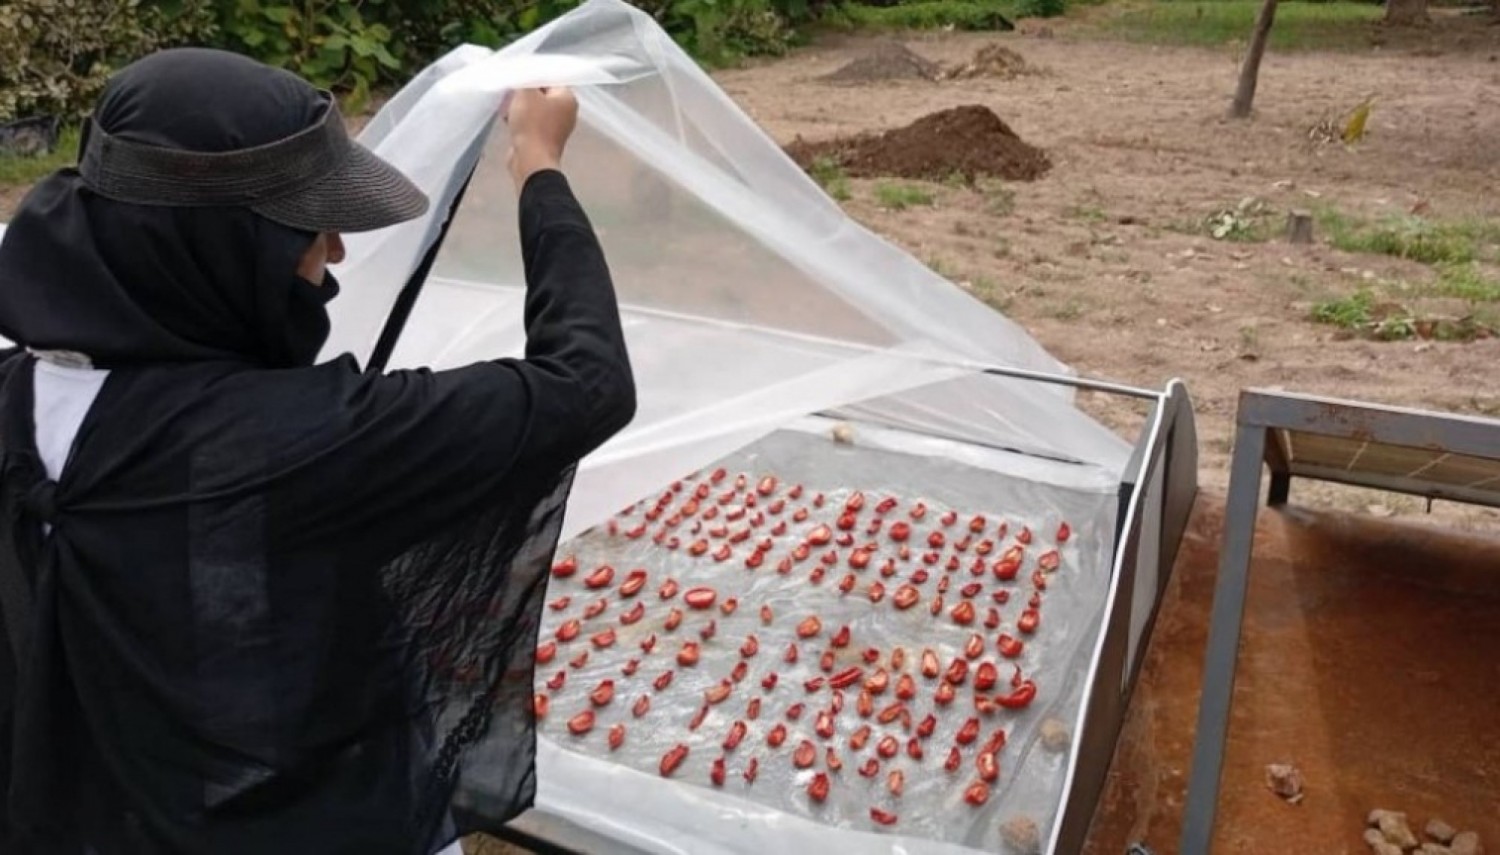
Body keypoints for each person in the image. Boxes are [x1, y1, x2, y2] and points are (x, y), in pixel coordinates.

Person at [0, 48, 635, 854]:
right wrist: (538, 164)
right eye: (309, 227)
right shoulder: (294, 441)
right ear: (222, 246)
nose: (334, 253)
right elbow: (587, 382)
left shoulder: (19, 394)